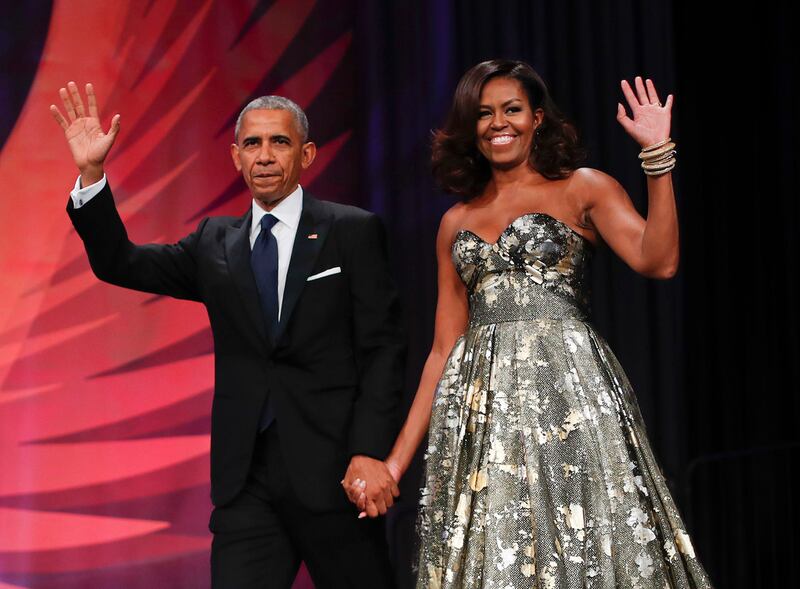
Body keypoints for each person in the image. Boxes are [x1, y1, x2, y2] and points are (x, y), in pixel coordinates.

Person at [346, 60, 713, 587]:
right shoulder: (456, 221)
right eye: (484, 113)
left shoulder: (583, 188)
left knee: (584, 547)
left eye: (512, 109)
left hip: (568, 398)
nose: (499, 123)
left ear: (537, 117)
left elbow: (659, 260)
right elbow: (442, 349)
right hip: (482, 415)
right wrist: (395, 464)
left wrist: (657, 158)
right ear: (471, 128)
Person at [51, 82, 405, 588]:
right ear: (235, 156)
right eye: (253, 144)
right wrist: (91, 176)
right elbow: (119, 262)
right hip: (246, 484)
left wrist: (371, 450)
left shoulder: (351, 231)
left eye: (279, 143)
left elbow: (383, 349)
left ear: (306, 154)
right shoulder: (215, 242)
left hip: (336, 474)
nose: (264, 156)